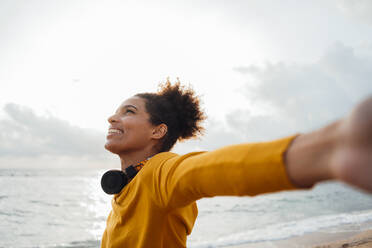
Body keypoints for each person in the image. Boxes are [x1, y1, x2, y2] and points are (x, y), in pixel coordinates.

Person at [100, 79, 372, 248]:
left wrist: (328, 150)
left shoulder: (159, 172)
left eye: (129, 112)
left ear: (157, 131)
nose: (113, 118)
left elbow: (209, 169)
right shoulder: (124, 189)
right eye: (115, 112)